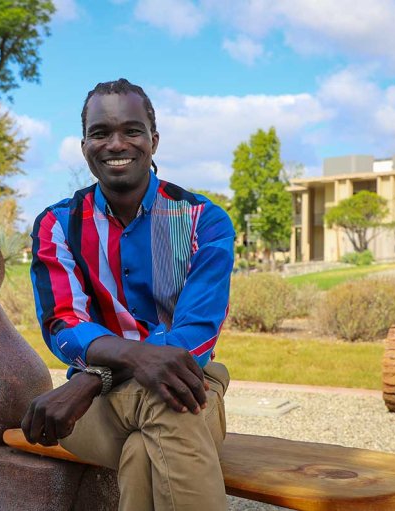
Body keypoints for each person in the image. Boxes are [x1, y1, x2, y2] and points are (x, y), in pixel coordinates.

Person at [22, 78, 235, 511]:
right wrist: (130, 363)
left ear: (153, 140)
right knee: (172, 410)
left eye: (132, 131)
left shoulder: (202, 221)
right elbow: (63, 323)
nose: (116, 143)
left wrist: (94, 374)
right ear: (84, 145)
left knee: (149, 440)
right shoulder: (58, 225)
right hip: (95, 410)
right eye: (100, 133)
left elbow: (193, 336)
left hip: (178, 385)